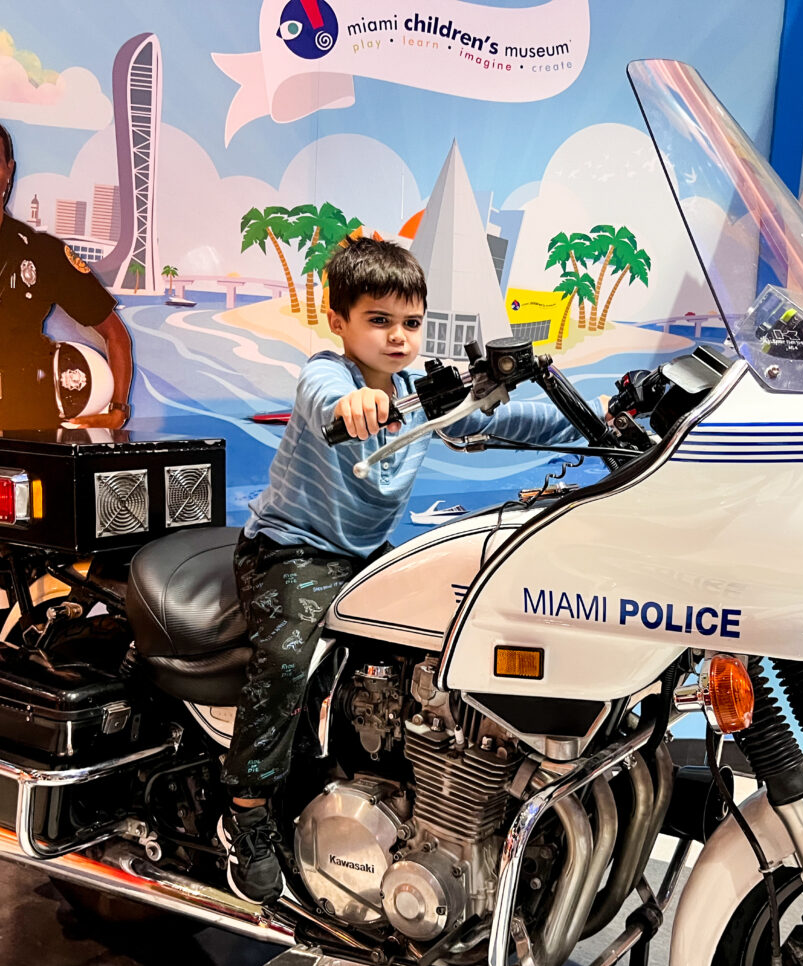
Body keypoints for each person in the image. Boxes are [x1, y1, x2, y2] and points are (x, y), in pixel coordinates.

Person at [219, 237, 605, 903]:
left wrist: (599, 420)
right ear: (339, 322)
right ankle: (246, 810)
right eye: (379, 321)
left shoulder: (420, 396)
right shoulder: (328, 376)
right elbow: (323, 399)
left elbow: (515, 419)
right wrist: (353, 407)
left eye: (411, 324)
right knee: (286, 658)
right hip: (292, 550)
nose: (398, 338)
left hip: (362, 555)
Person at [0, 122, 133, 430]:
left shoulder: (42, 252)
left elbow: (116, 335)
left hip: (28, 425)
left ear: (9, 169)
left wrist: (118, 410)